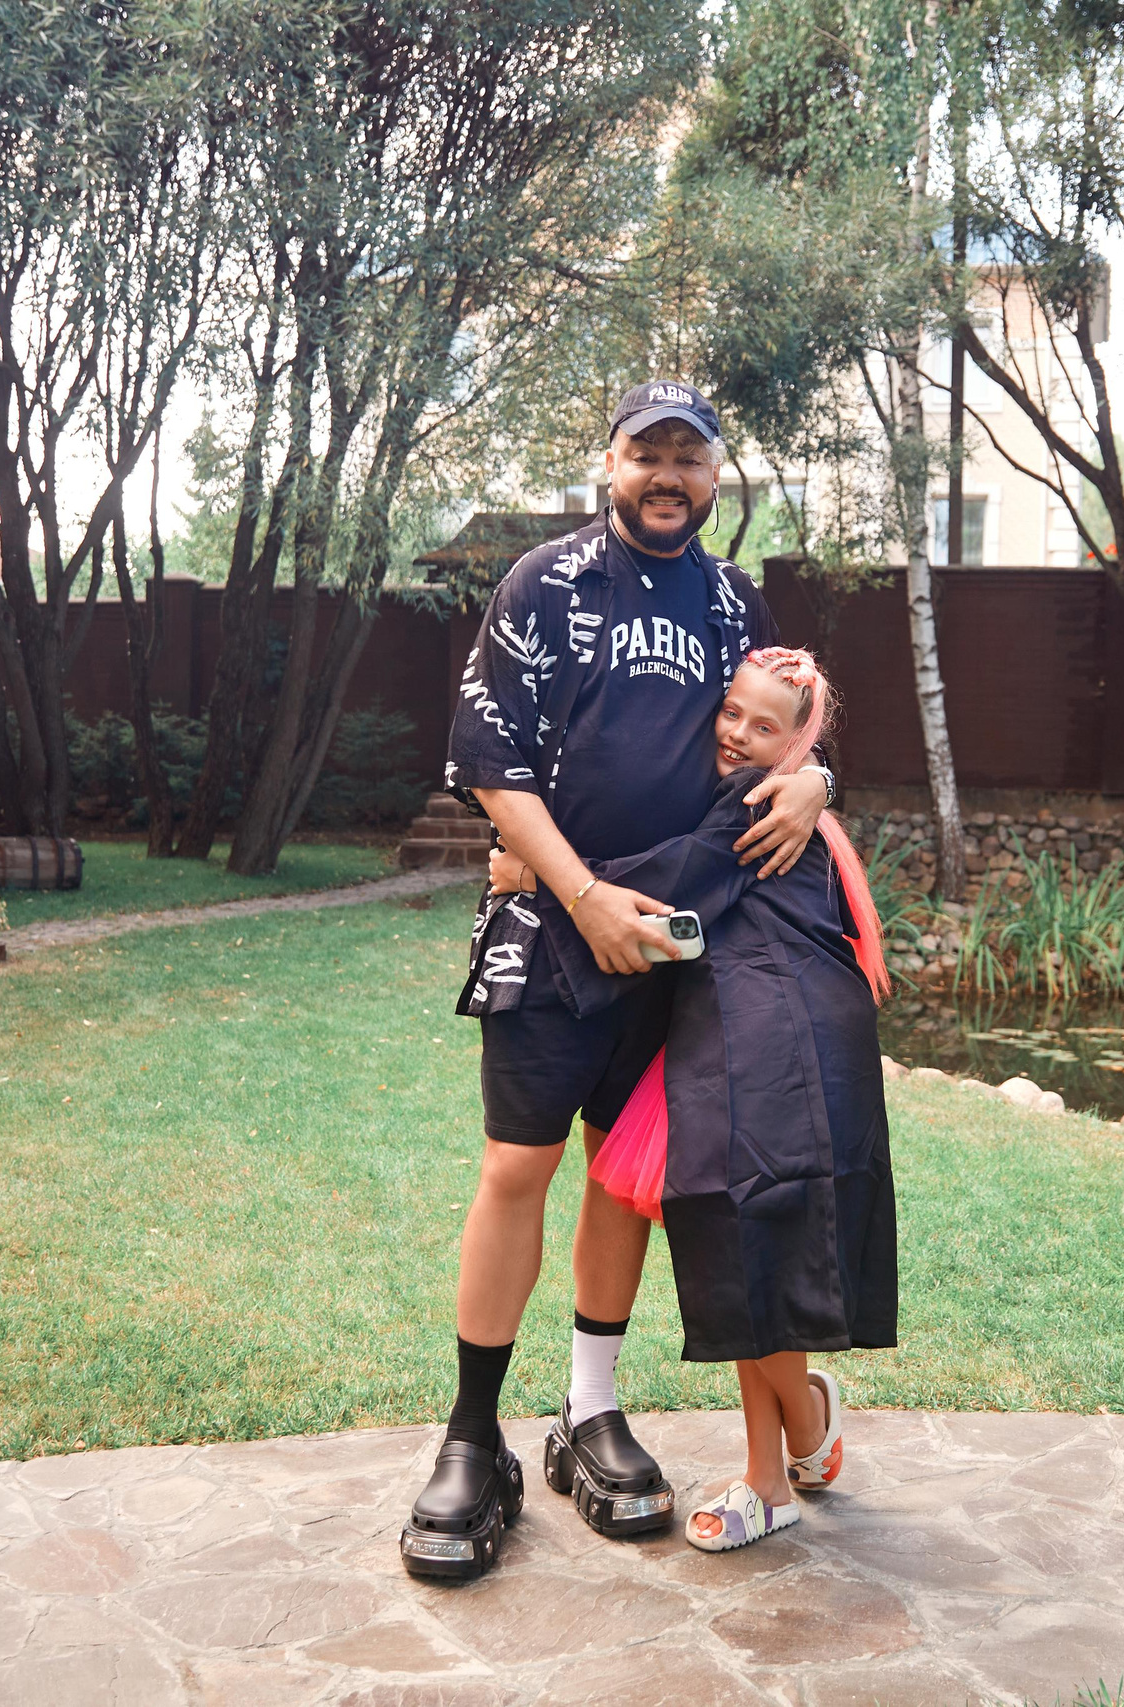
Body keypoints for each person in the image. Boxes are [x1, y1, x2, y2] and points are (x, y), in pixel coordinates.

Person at [400, 382, 836, 1582]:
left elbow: (781, 724)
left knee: (624, 1181)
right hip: (547, 923)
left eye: (689, 460)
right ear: (609, 465)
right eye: (647, 453)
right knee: (515, 1168)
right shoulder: (544, 582)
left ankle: (589, 1410)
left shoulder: (734, 602)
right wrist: (578, 895)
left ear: (714, 481)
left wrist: (818, 781)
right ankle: (470, 1434)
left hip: (674, 943)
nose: (668, 476)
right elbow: (489, 766)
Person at [491, 647, 896, 1554]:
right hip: (737, 1024)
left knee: (752, 1235)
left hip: (785, 1031)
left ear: (799, 742)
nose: (739, 736)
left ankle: (778, 1459)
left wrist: (538, 876)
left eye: (765, 726)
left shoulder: (762, 801)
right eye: (732, 714)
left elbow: (675, 880)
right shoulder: (770, 790)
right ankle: (792, 1437)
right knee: (738, 1238)